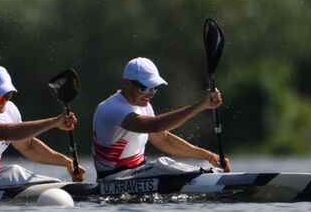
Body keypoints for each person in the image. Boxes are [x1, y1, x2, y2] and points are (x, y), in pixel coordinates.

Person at [0, 64, 85, 188]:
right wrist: (54, 122)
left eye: (7, 95)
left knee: (13, 173)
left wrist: (68, 163)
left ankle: (63, 188)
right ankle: (62, 189)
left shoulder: (10, 110)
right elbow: (7, 133)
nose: (3, 101)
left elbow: (28, 146)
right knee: (13, 171)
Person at [92, 57, 228, 178]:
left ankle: (209, 175)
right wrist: (200, 105)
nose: (150, 94)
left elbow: (164, 140)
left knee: (164, 164)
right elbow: (155, 126)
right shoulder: (112, 108)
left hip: (136, 173)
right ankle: (209, 177)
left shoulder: (145, 106)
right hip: (113, 178)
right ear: (127, 83)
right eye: (145, 88)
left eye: (154, 88)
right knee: (163, 163)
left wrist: (209, 156)